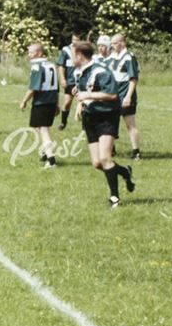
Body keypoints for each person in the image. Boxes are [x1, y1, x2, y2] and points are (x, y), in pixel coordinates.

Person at [73, 41, 135, 209]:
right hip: (90, 118)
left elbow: (113, 94)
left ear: (79, 55)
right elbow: (82, 90)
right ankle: (124, 172)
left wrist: (88, 94)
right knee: (97, 163)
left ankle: (114, 197)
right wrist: (80, 103)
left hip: (107, 117)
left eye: (73, 54)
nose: (71, 58)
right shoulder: (79, 72)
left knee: (105, 158)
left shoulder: (101, 71)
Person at [19, 43, 59, 168]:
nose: (29, 54)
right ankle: (45, 151)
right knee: (40, 127)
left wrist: (24, 101)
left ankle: (51, 159)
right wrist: (57, 104)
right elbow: (56, 87)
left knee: (43, 129)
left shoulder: (37, 66)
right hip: (51, 100)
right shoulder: (51, 65)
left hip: (42, 101)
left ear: (39, 53)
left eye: (32, 52)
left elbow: (33, 88)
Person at [109, 33, 141, 161]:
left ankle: (136, 151)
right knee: (110, 122)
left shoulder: (128, 57)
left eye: (114, 43)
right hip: (113, 95)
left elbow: (133, 79)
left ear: (122, 43)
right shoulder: (113, 56)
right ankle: (111, 149)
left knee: (130, 124)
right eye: (111, 43)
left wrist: (128, 96)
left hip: (125, 94)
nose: (112, 46)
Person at [56, 33, 82, 130]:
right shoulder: (66, 50)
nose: (75, 42)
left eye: (77, 40)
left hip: (81, 81)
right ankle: (63, 123)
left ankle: (84, 123)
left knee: (83, 102)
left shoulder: (84, 50)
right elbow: (61, 66)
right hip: (70, 81)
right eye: (73, 39)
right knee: (66, 103)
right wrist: (62, 79)